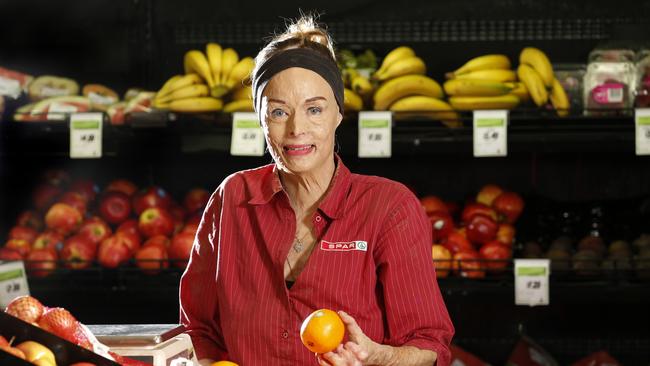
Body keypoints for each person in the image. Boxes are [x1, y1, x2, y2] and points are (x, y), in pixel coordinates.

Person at [179, 15, 454, 366]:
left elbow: (430, 343)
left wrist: (378, 356)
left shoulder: (389, 207)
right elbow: (198, 327)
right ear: (260, 118)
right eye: (279, 112)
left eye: (314, 109)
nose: (297, 129)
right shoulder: (233, 198)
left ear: (338, 113)